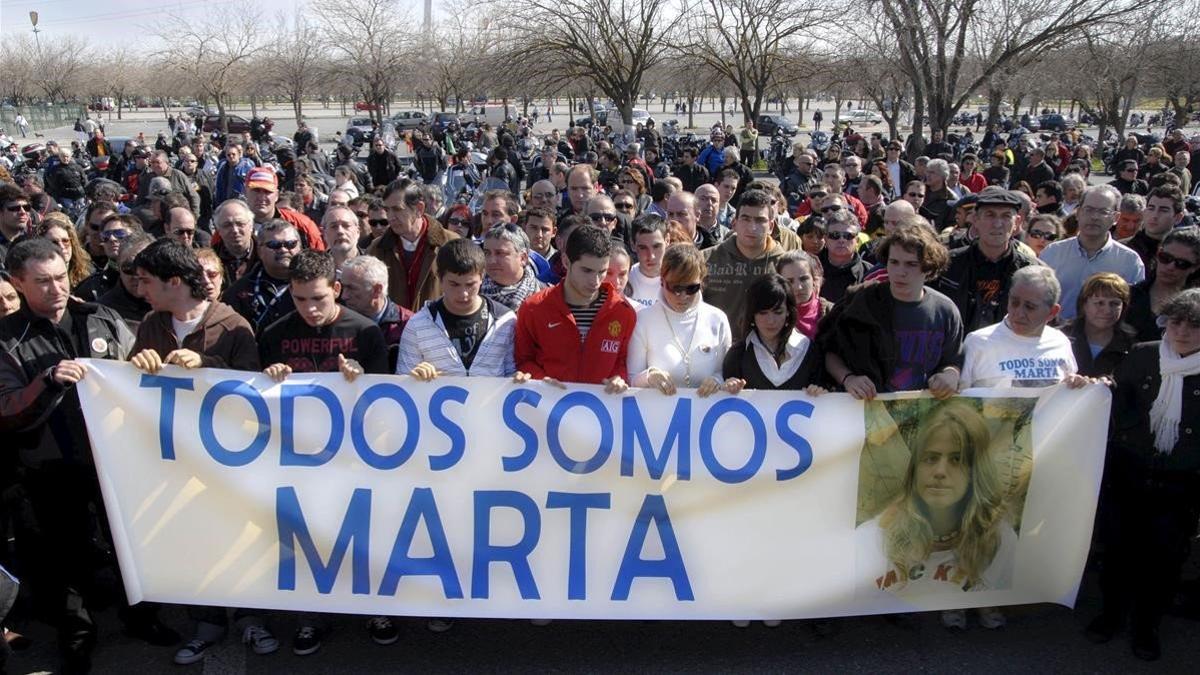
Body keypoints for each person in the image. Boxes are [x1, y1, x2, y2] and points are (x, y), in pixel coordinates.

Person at [0, 239, 178, 674]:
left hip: (115, 461)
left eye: (61, 276)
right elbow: (7, 409)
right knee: (65, 558)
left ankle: (142, 617)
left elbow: (137, 372)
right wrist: (47, 380)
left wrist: (150, 361)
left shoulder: (100, 316)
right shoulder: (8, 339)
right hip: (51, 468)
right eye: (42, 281)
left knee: (128, 547)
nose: (56, 288)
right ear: (18, 283)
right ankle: (77, 636)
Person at [1089, 288, 1200, 660]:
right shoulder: (1142, 355)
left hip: (1179, 484)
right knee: (1118, 551)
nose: (1181, 331)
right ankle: (1111, 615)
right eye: (1176, 322)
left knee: (1164, 562)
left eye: (1192, 325)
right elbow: (1116, 404)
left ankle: (1146, 627)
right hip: (1129, 474)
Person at [856, 400, 1018, 598]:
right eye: (931, 458)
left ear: (976, 472)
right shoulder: (875, 536)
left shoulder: (999, 539)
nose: (940, 471)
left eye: (956, 459)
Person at [821, 224, 963, 400]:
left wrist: (950, 375)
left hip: (923, 414)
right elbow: (828, 351)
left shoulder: (945, 310)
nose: (900, 272)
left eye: (911, 264)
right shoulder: (860, 300)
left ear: (929, 267)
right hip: (863, 411)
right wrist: (848, 378)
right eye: (894, 262)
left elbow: (952, 361)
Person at [514, 225, 635, 391]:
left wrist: (619, 378)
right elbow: (524, 360)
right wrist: (540, 379)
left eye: (602, 272)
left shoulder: (623, 312)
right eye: (587, 270)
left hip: (601, 410)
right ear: (565, 261)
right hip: (548, 410)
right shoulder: (533, 308)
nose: (595, 281)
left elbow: (622, 361)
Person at [627, 243, 736, 396]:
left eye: (692, 288)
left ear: (701, 282)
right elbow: (631, 379)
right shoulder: (643, 319)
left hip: (706, 413)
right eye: (675, 288)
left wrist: (717, 381)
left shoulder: (718, 319)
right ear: (661, 282)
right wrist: (649, 377)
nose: (683, 296)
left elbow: (724, 373)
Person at [401, 237, 518, 380]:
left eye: (470, 285)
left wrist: (520, 378)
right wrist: (416, 376)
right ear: (440, 278)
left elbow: (512, 374)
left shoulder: (505, 321)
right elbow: (402, 382)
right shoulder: (417, 325)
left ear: (482, 277)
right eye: (454, 284)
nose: (463, 294)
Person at [934, 189, 1044, 332]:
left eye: (1006, 216)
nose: (997, 224)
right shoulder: (948, 265)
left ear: (1017, 222)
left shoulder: (1030, 271)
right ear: (975, 220)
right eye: (990, 215)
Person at [1040, 185, 1146, 321]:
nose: (1094, 217)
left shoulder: (1129, 261)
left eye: (1103, 212)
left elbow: (1134, 310)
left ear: (1116, 217)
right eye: (1088, 210)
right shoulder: (1052, 253)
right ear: (1078, 213)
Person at [703, 189, 784, 340]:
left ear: (771, 226)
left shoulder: (783, 264)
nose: (752, 228)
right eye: (746, 219)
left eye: (760, 220)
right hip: (713, 346)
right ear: (734, 223)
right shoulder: (705, 259)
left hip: (765, 350)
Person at [722, 272, 825, 391]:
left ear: (788, 311)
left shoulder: (810, 351)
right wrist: (727, 388)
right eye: (763, 313)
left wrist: (818, 391)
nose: (771, 321)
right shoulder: (738, 355)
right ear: (752, 314)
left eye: (778, 312)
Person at [367, 183, 459, 312]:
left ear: (419, 209)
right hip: (394, 329)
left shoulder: (452, 244)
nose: (390, 217)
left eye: (397, 209)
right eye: (387, 210)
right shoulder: (377, 249)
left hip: (438, 327)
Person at [1124, 226, 1200, 341]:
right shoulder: (1127, 294)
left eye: (1181, 263)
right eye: (1165, 258)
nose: (1170, 267)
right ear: (1158, 253)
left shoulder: (1196, 306)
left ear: (1195, 267)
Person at [339, 255, 413, 373]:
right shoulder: (338, 322)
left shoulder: (409, 325)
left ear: (377, 290)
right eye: (343, 287)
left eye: (351, 288)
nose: (344, 296)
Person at [222, 220, 298, 334]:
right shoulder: (238, 291)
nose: (283, 250)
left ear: (300, 247)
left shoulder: (315, 285)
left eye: (291, 244)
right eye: (274, 245)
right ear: (260, 250)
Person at [1066, 273, 1136, 378]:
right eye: (1099, 303)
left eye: (1114, 304)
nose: (1107, 311)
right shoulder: (1060, 337)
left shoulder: (1132, 346)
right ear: (1084, 304)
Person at [481, 223, 546, 310]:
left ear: (523, 258)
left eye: (500, 253)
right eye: (487, 253)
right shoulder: (472, 291)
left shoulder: (545, 296)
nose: (492, 260)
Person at [777, 250, 832, 339]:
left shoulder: (832, 312)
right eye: (790, 281)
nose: (798, 287)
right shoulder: (772, 315)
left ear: (813, 279)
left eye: (804, 279)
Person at [818, 210, 870, 304]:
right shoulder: (811, 269)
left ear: (857, 241)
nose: (841, 240)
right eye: (835, 235)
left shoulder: (870, 273)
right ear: (825, 239)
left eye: (848, 236)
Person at [625, 214, 669, 309]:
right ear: (633, 245)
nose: (651, 256)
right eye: (643, 248)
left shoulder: (679, 278)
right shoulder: (624, 278)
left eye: (656, 246)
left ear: (667, 240)